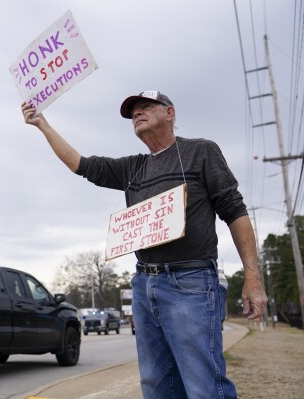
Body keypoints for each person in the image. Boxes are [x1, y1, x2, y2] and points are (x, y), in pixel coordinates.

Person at [21, 91, 268, 399]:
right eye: (133, 111)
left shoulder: (200, 152)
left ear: (170, 112)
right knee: (156, 384)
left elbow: (234, 211)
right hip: (144, 283)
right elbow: (81, 165)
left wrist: (253, 278)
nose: (137, 113)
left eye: (146, 107)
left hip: (191, 282)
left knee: (203, 384)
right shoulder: (133, 168)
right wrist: (43, 124)